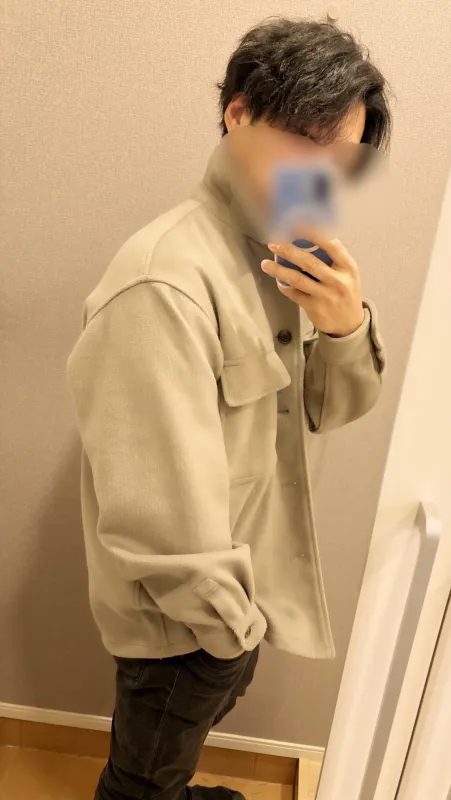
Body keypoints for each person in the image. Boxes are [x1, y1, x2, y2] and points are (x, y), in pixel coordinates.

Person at [66, 16, 391, 800]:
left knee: (173, 752)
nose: (319, 176)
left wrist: (346, 325)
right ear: (238, 114)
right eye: (302, 142)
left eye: (340, 158)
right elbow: (154, 517)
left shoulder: (282, 250)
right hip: (184, 624)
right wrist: (228, 634)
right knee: (142, 779)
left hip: (239, 594)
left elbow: (326, 410)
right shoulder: (164, 283)